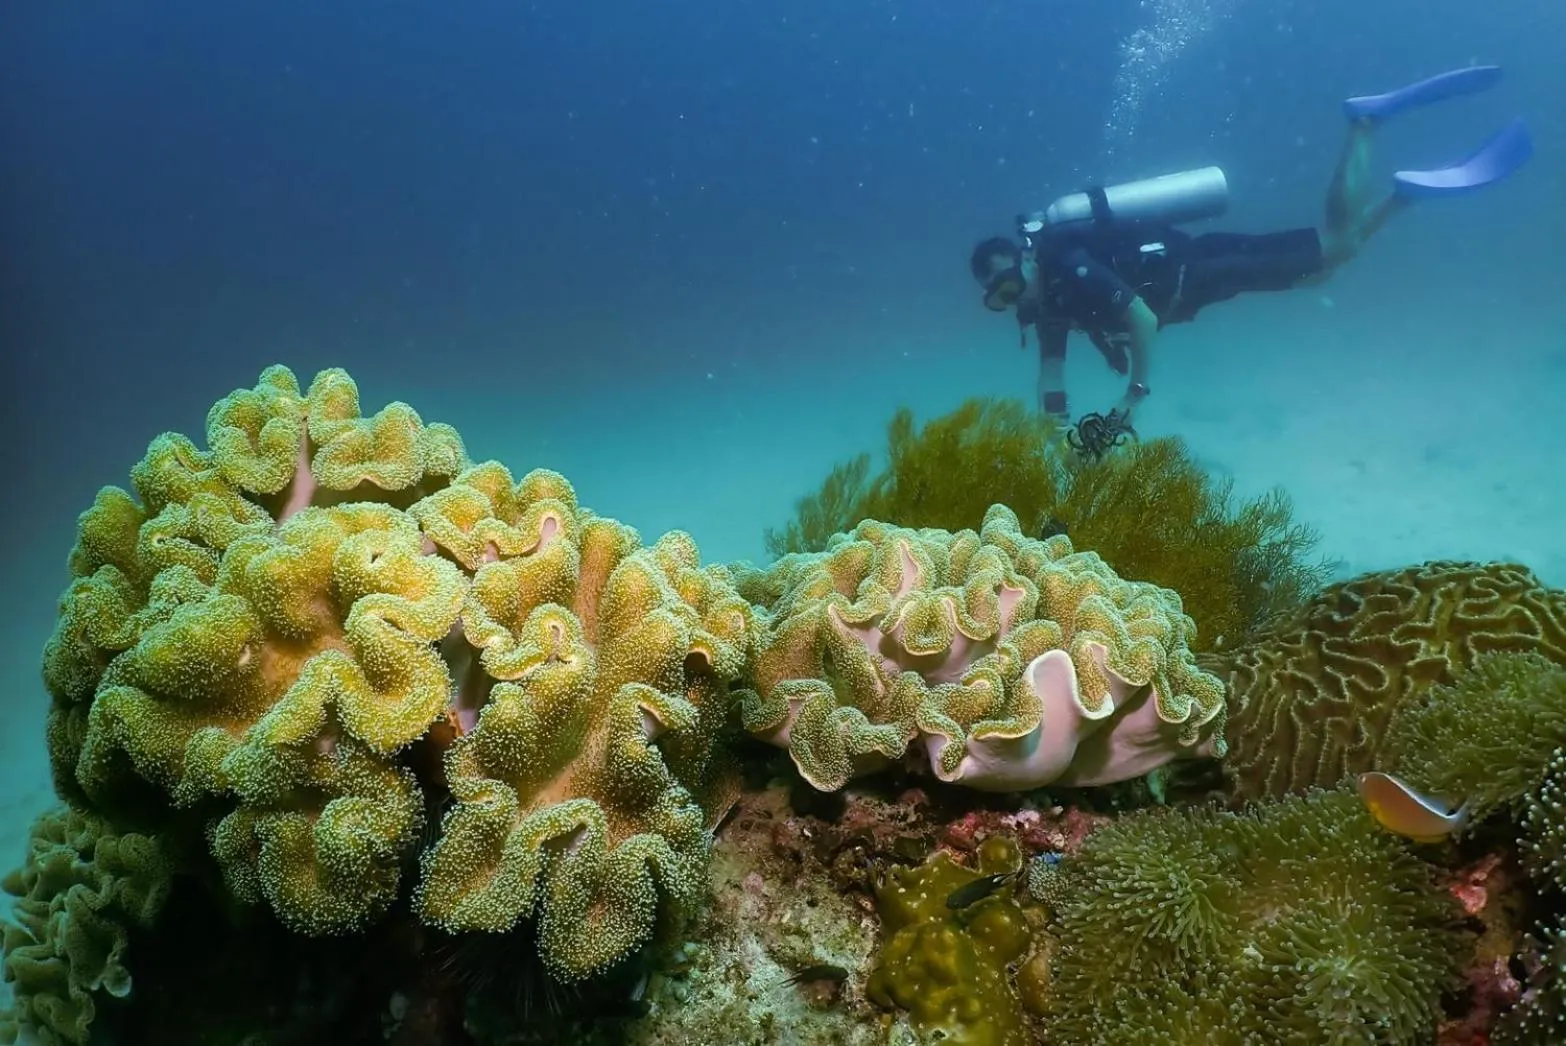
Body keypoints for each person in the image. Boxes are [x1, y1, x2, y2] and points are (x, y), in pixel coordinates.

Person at [971, 65, 1533, 425]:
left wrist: (1132, 397)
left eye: (1011, 283)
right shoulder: (1048, 306)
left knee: (1334, 250)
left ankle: (1365, 128)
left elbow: (1139, 317)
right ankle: (1402, 197)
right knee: (1323, 271)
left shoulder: (1065, 261)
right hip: (1200, 283)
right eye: (1000, 298)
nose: (1014, 298)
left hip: (1205, 268)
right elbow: (1050, 375)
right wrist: (1053, 434)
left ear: (1025, 258)